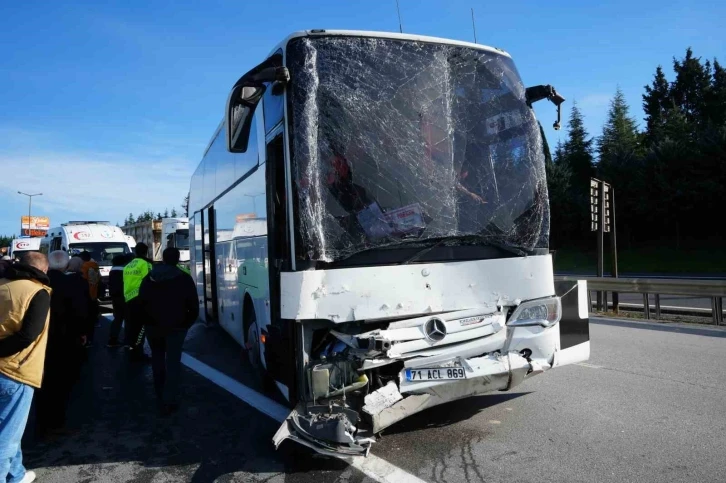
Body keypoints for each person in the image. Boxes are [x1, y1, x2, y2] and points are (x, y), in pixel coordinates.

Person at [0, 252, 52, 483]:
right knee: (6, 437)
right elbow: (28, 335)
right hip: (16, 370)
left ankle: (17, 474)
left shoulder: (3, 284)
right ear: (43, 270)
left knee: (11, 427)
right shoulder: (37, 292)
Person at [35, 251, 88, 441]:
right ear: (66, 266)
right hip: (64, 339)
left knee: (42, 382)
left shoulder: (39, 283)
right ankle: (55, 423)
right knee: (61, 383)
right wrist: (82, 333)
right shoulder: (71, 284)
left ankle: (41, 422)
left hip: (38, 340)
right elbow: (80, 312)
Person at [138, 248, 198, 415]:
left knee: (157, 359)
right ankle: (169, 399)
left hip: (152, 326)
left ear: (163, 258)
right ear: (178, 259)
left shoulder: (149, 278)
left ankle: (159, 394)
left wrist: (146, 321)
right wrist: (186, 323)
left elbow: (141, 302)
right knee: (173, 362)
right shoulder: (184, 278)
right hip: (177, 326)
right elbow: (193, 305)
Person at [123, 243, 152, 362]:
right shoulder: (145, 264)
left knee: (132, 326)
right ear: (146, 252)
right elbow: (149, 281)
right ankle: (138, 352)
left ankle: (131, 347)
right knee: (141, 327)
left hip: (129, 299)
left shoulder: (129, 265)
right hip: (140, 298)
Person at [107, 254, 130, 348]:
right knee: (128, 319)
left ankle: (113, 339)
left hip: (115, 297)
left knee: (117, 318)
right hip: (125, 297)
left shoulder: (112, 270)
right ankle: (128, 340)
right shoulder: (125, 270)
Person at [79, 251, 101, 342]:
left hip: (85, 294)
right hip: (94, 293)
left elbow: (82, 280)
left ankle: (86, 339)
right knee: (91, 319)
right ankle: (91, 339)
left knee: (86, 319)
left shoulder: (84, 267)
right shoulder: (95, 266)